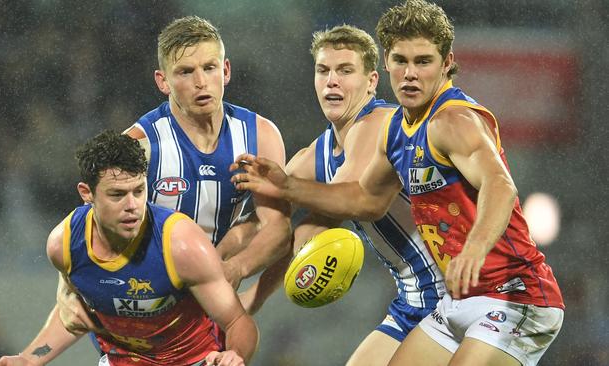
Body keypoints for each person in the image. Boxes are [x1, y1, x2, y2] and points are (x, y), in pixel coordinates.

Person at [230, 1, 565, 365]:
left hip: (512, 293)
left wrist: (474, 248)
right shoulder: (397, 131)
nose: (409, 74)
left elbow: (501, 187)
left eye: (423, 62)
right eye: (401, 61)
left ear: (447, 62)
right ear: (387, 62)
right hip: (451, 301)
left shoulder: (452, 121)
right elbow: (365, 199)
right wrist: (286, 187)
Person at [56, 15, 291, 339]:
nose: (200, 82)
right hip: (147, 311)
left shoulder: (259, 136)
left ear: (226, 71)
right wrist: (65, 292)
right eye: (185, 71)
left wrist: (233, 269)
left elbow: (278, 229)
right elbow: (87, 223)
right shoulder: (140, 144)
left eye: (209, 68)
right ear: (162, 81)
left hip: (214, 307)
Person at [237, 25, 444, 365]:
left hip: (459, 295)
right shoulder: (313, 157)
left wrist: (289, 191)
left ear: (372, 81)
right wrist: (245, 290)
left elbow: (356, 198)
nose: (332, 80)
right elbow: (268, 227)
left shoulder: (383, 123)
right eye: (323, 71)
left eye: (345, 70)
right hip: (414, 301)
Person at [0, 131, 258, 366]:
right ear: (87, 193)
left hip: (194, 361)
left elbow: (238, 322)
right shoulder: (64, 245)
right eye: (117, 195)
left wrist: (235, 355)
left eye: (139, 191)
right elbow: (75, 315)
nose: (132, 205)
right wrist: (29, 358)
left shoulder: (182, 245)